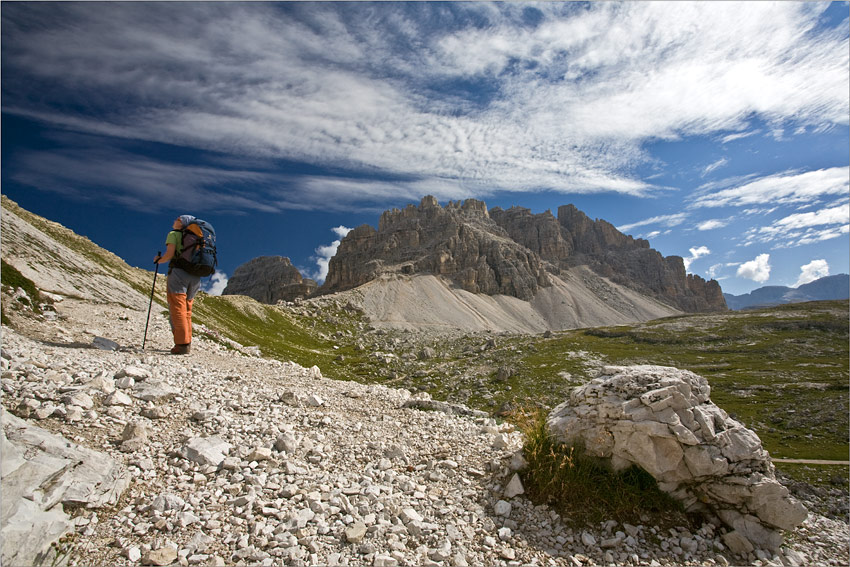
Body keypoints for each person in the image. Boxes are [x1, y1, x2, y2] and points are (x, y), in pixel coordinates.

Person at [154, 215, 201, 354]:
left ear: (182, 223)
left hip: (179, 273)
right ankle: (187, 343)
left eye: (178, 219)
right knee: (187, 309)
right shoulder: (198, 237)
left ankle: (181, 345)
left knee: (177, 306)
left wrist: (159, 260)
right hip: (196, 276)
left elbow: (170, 254)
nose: (174, 221)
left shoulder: (174, 234)